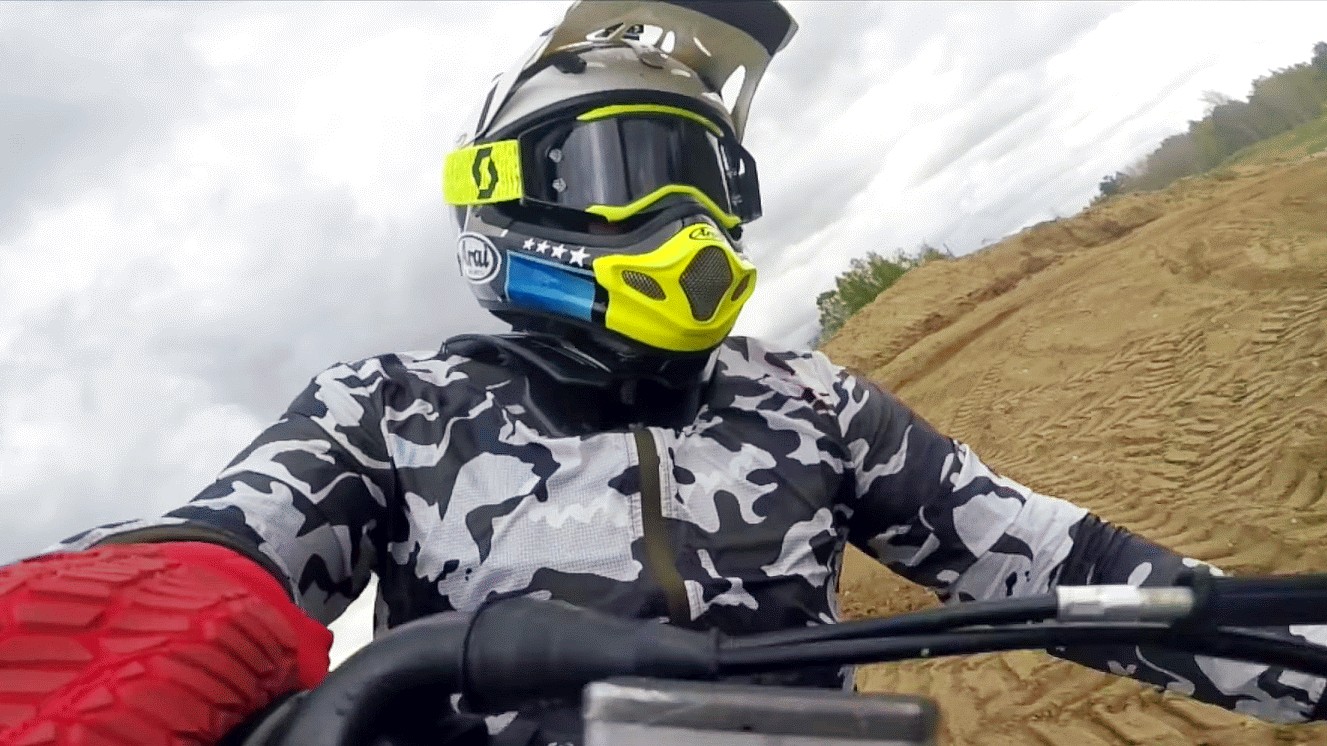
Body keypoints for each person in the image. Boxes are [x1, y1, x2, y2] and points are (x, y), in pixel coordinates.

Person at [1, 1, 1324, 744]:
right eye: (633, 168)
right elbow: (208, 558)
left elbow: (1059, 564)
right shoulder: (390, 410)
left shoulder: (809, 401)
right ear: (509, 201)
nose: (689, 221)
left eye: (710, 180)